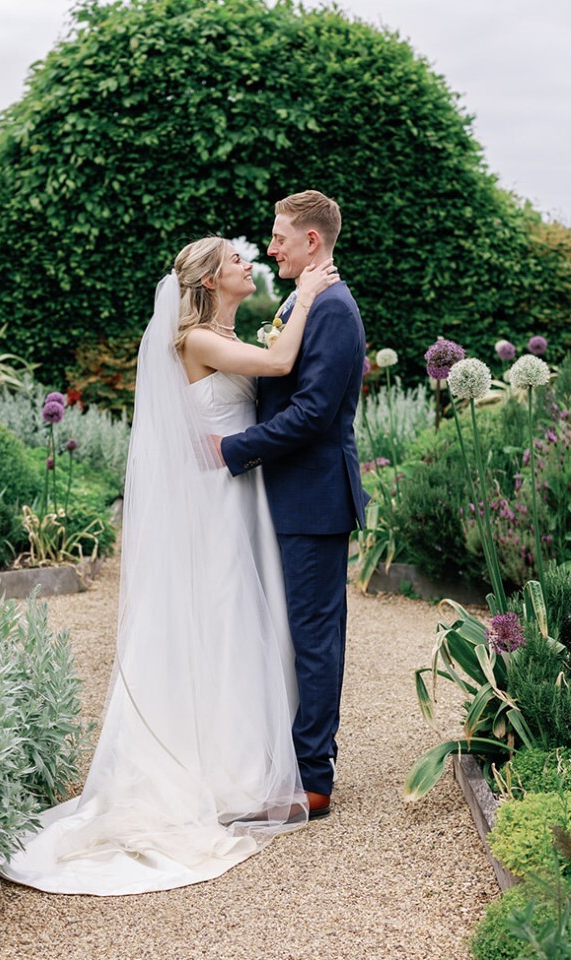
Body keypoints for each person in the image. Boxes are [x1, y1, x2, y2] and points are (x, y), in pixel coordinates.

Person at [0, 237, 338, 896]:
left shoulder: (217, 333)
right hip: (215, 501)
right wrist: (311, 295)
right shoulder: (197, 341)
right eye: (238, 260)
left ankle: (244, 764)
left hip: (239, 492)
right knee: (225, 615)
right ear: (212, 279)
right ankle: (228, 774)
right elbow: (279, 359)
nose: (251, 264)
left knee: (243, 620)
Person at [214, 191, 369, 819]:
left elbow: (311, 414)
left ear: (312, 241)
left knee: (314, 638)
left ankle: (312, 779)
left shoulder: (333, 307)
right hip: (290, 495)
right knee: (296, 631)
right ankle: (288, 757)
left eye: (280, 237)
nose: (269, 246)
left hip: (313, 499)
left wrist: (232, 447)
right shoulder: (303, 300)